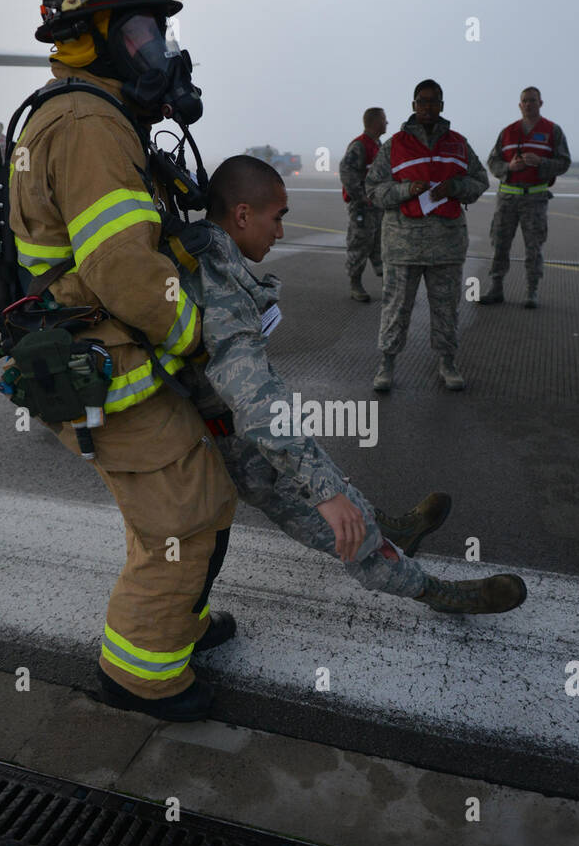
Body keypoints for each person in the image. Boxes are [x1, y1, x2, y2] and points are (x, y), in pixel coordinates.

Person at [10, 0, 238, 721]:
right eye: (142, 30)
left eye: (160, 31)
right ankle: (141, 675)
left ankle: (179, 622)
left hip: (122, 357)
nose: (158, 49)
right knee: (180, 518)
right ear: (93, 33)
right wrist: (204, 340)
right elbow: (125, 272)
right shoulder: (85, 125)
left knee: (193, 503)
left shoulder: (99, 115)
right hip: (112, 362)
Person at [169, 154, 528, 617]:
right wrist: (328, 494)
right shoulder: (218, 280)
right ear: (242, 214)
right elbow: (255, 400)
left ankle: (397, 530)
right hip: (222, 440)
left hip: (224, 428)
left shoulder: (205, 253)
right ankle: (438, 593)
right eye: (276, 219)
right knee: (335, 520)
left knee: (316, 470)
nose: (279, 232)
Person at [365, 80, 488, 391]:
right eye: (422, 101)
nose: (428, 107)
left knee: (446, 308)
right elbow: (372, 190)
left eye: (434, 102)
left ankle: (447, 362)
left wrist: (457, 187)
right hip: (402, 245)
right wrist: (407, 189)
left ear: (442, 106)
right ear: (413, 105)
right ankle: (387, 364)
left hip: (446, 244)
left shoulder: (458, 144)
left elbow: (480, 180)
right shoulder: (394, 145)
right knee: (395, 308)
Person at [480, 87, 571, 308]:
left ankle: (532, 292)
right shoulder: (508, 132)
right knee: (499, 244)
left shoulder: (552, 131)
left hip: (535, 199)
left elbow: (564, 162)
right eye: (524, 101)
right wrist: (509, 167)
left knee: (534, 247)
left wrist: (541, 163)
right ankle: (496, 288)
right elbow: (492, 162)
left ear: (541, 103)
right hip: (507, 200)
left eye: (532, 100)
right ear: (519, 105)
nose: (528, 104)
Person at [339, 107, 387, 301]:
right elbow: (346, 172)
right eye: (384, 120)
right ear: (375, 122)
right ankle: (355, 284)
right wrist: (362, 197)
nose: (387, 123)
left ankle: (388, 284)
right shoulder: (359, 146)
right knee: (360, 244)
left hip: (378, 206)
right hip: (363, 207)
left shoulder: (379, 145)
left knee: (381, 245)